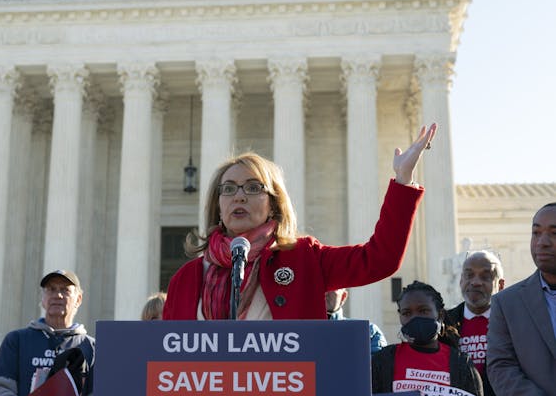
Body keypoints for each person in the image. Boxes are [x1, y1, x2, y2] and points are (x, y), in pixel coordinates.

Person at [162, 124, 436, 320]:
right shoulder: (186, 279)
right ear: (218, 204)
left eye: (253, 187)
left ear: (273, 204)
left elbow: (379, 259)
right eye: (229, 189)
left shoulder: (305, 259)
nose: (240, 197)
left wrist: (403, 180)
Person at [0, 269, 95, 396]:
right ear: (43, 298)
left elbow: (99, 393)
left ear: (78, 299)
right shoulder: (16, 340)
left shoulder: (92, 347)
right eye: (51, 289)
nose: (58, 295)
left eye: (65, 290)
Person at [487, 202, 556, 396]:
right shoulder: (507, 304)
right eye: (536, 233)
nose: (542, 242)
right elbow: (501, 368)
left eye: (554, 233)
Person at [371, 280, 483, 396]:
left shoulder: (461, 364)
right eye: (407, 313)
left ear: (440, 315)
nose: (415, 318)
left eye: (423, 311)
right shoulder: (383, 361)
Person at [444, 250, 505, 396]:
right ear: (460, 280)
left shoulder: (514, 323)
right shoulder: (444, 324)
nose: (475, 282)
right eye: (469, 275)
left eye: (485, 276)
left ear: (501, 284)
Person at [325, 288, 387, 353]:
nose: (325, 293)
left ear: (343, 296)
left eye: (332, 287)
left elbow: (377, 362)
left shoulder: (368, 333)